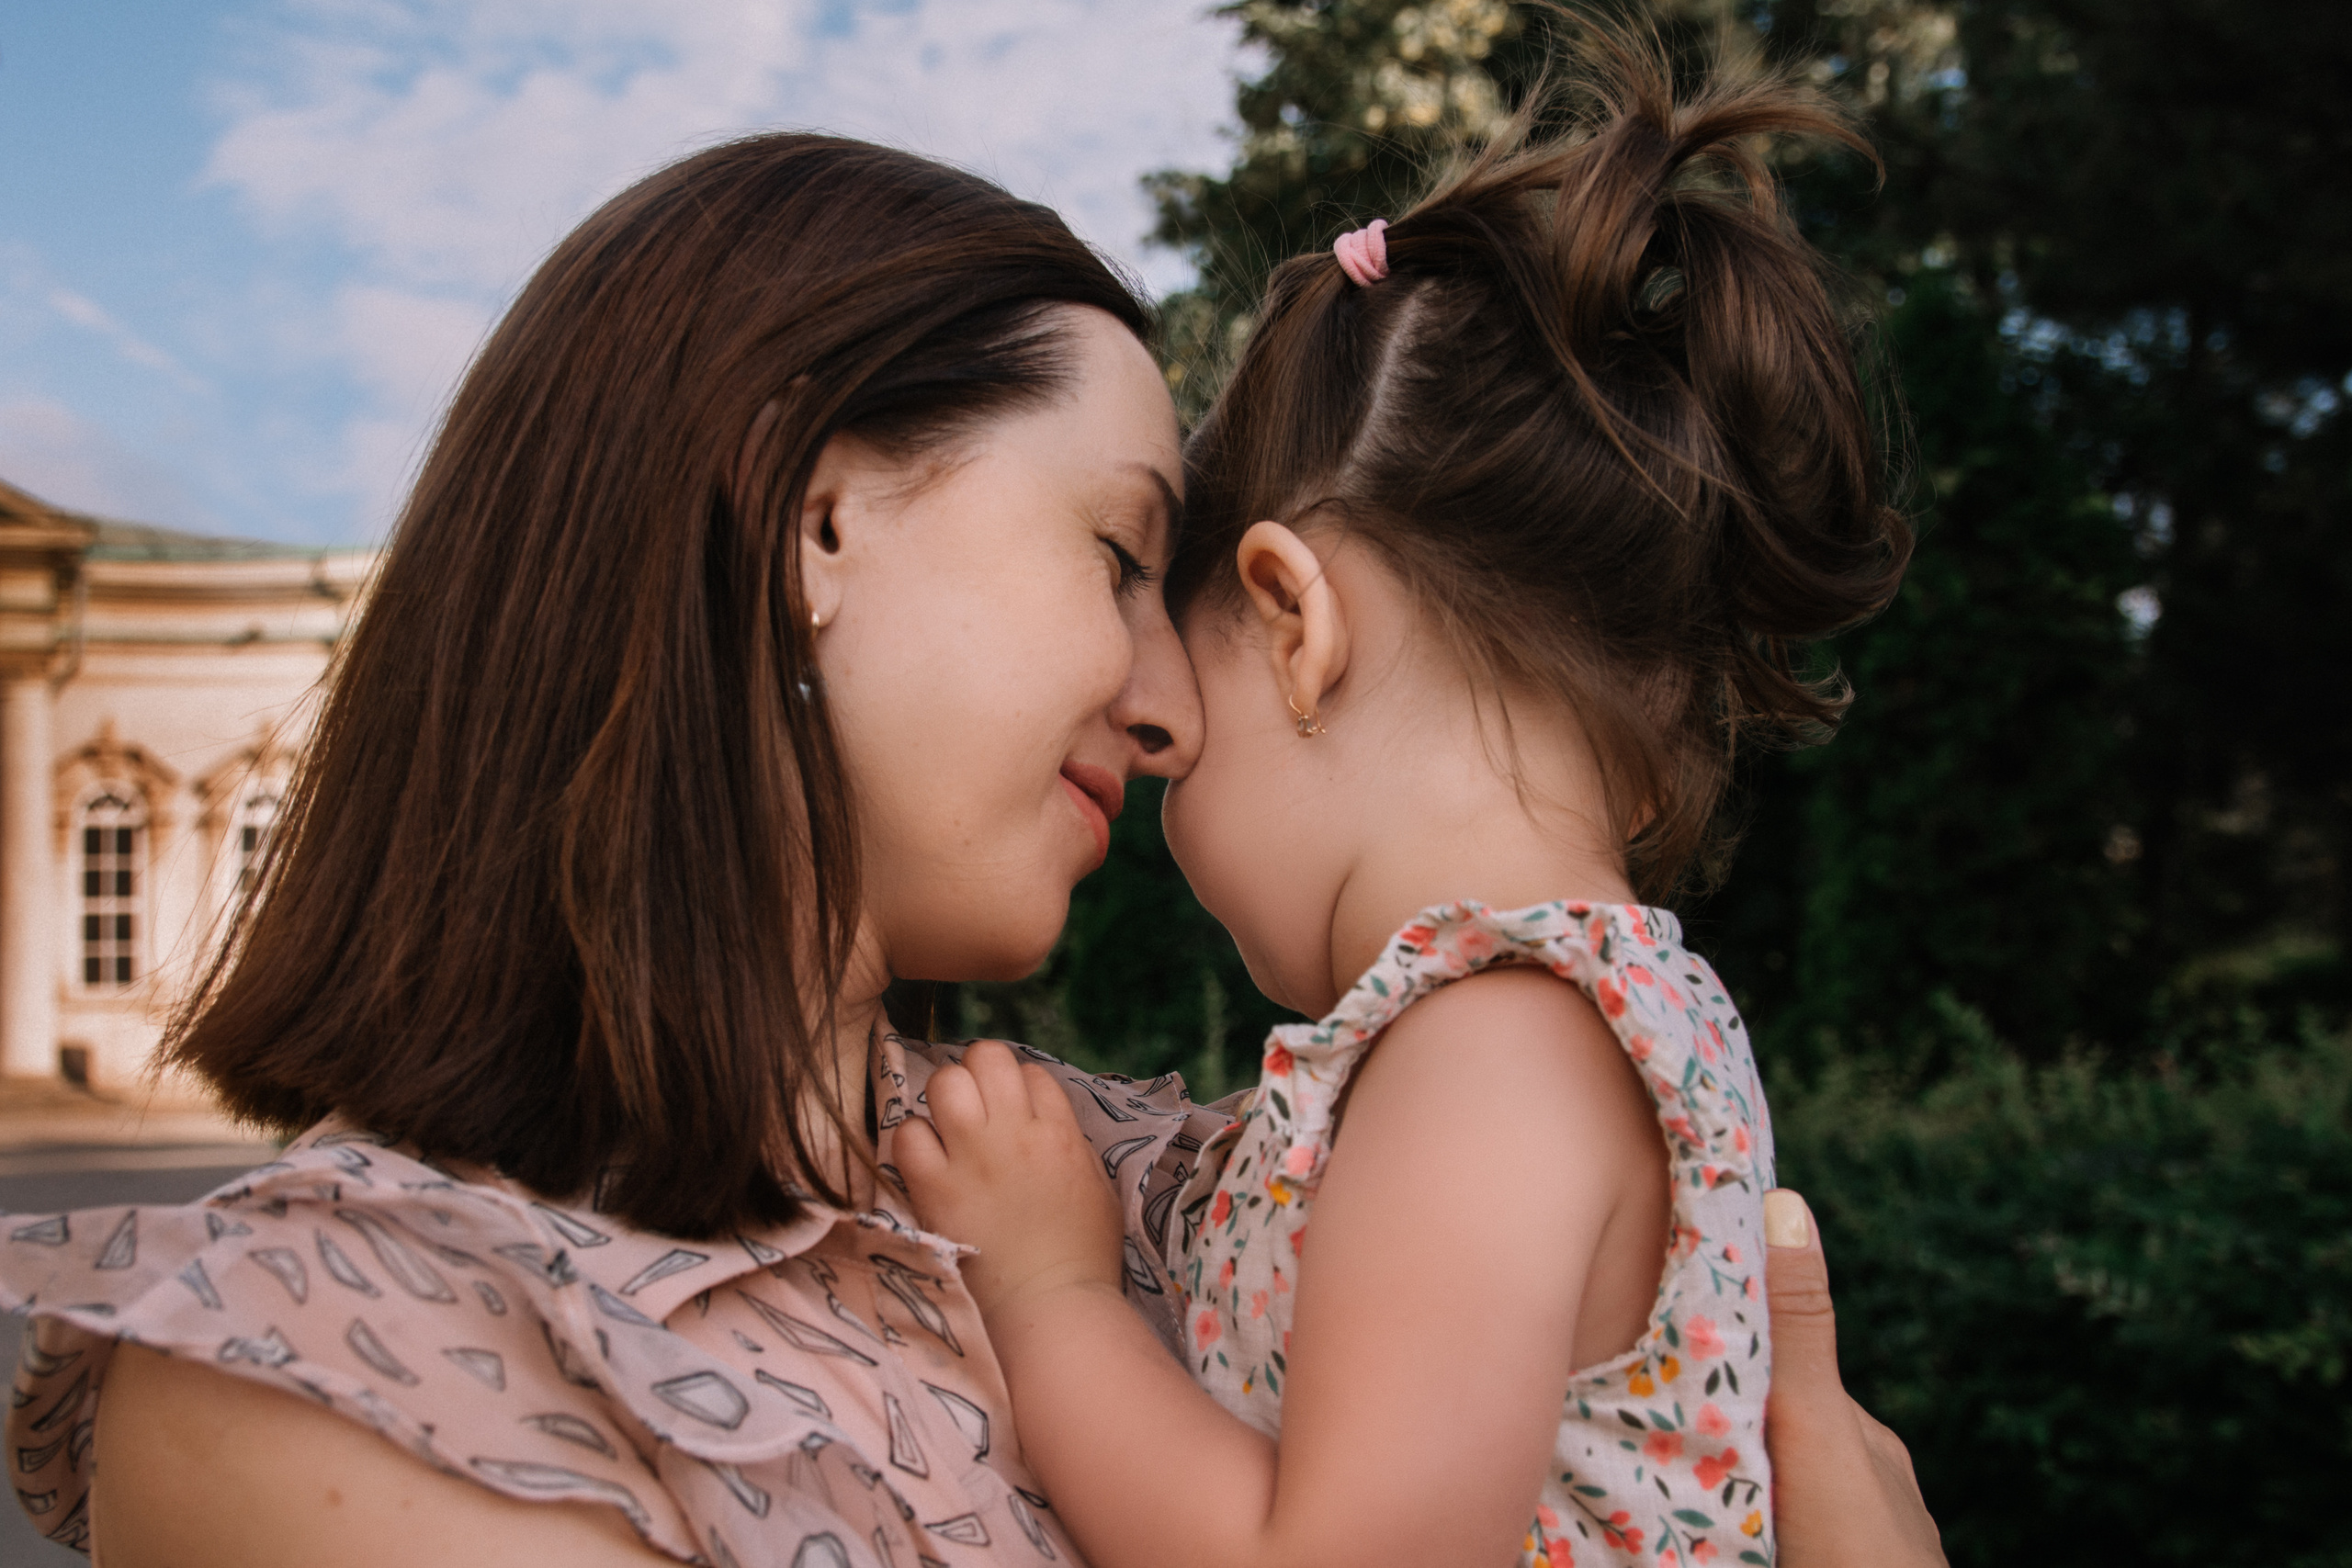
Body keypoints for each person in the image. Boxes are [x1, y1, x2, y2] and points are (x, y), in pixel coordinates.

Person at [0, 126, 1942, 1568]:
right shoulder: (338, 1367)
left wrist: (1056, 1292)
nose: (1161, 692)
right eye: (1115, 550)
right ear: (809, 516)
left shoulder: (1149, 1176)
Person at [898, 33, 1913, 1568]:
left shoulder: (1494, 1044)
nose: (1153, 730)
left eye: (1180, 662)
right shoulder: (1585, 1021)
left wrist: (1050, 1297)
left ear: (1295, 623)